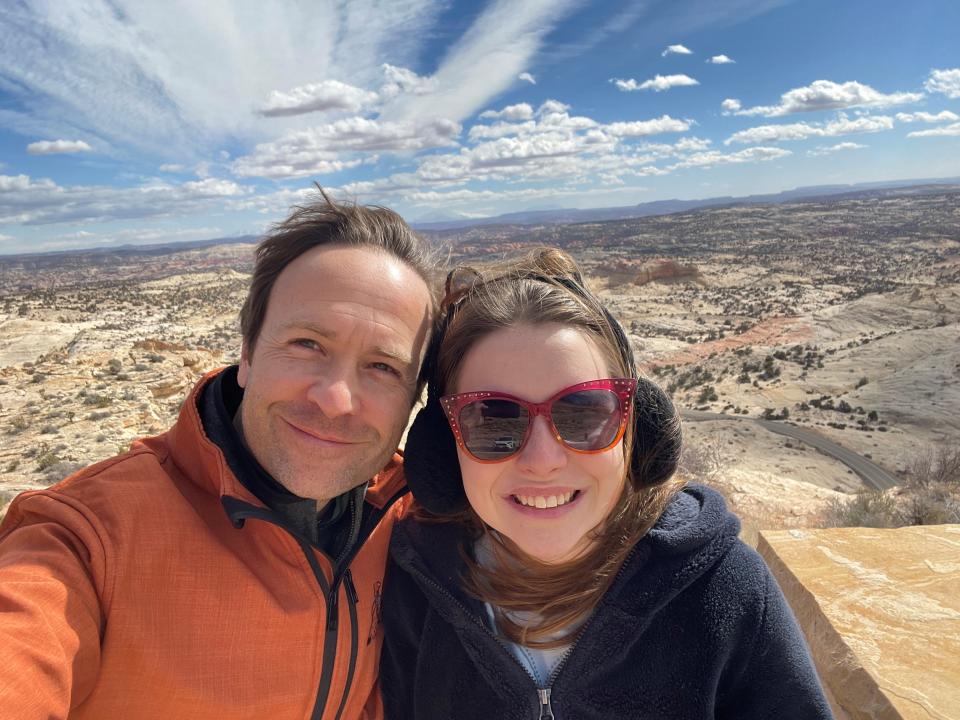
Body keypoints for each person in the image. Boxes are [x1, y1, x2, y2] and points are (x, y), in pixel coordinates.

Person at [0, 190, 435, 719]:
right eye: (306, 344)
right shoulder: (89, 541)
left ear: (412, 400)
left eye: (383, 367)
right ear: (247, 355)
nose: (336, 400)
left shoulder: (407, 522)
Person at [381, 248, 834, 719]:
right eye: (493, 420)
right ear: (441, 446)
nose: (543, 460)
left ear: (635, 429)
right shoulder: (418, 587)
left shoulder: (725, 591)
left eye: (583, 414)